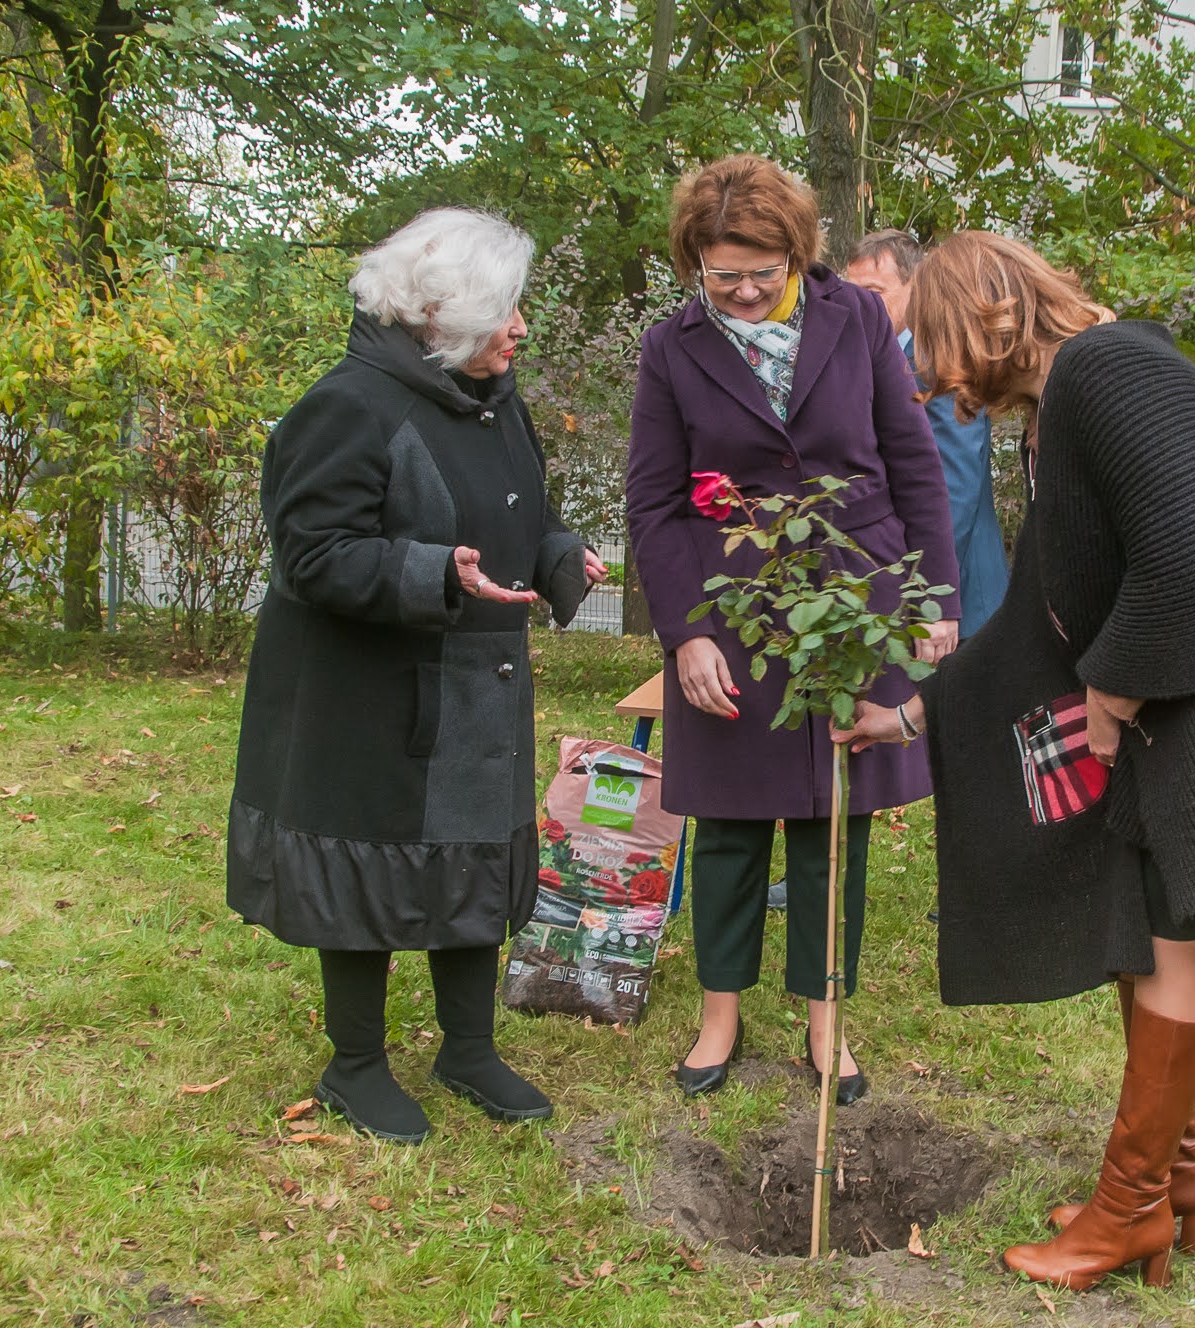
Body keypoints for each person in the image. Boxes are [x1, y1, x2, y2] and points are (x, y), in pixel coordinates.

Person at [835, 232, 1195, 1289]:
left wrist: (1109, 688)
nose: (922, 368)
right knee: (1152, 920)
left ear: (981, 310)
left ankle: (1130, 1206)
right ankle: (1166, 1183)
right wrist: (912, 715)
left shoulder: (1111, 371)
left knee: (1165, 927)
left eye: (926, 336)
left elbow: (1194, 558)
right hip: (1193, 679)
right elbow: (1038, 615)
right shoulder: (1066, 404)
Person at [227, 207, 608, 1143]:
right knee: (362, 869)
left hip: (477, 684)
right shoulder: (346, 406)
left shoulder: (494, 396)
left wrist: (561, 559)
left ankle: (467, 1049)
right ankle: (354, 1064)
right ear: (437, 315)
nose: (520, 329)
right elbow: (310, 555)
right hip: (366, 696)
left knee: (475, 860)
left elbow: (525, 514)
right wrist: (431, 572)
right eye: (504, 310)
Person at [625, 155, 961, 1105]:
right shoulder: (671, 347)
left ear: (796, 253)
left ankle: (826, 1021)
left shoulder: (855, 320)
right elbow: (653, 503)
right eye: (721, 271)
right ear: (695, 258)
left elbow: (913, 465)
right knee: (729, 820)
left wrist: (932, 602)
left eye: (760, 270)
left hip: (852, 605)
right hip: (730, 609)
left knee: (833, 816)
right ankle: (719, 1016)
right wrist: (687, 633)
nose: (740, 289)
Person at [845, 229, 1008, 638]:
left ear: (914, 288)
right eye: (852, 293)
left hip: (956, 604)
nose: (858, 306)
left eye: (874, 291)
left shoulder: (938, 364)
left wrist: (922, 597)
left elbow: (954, 491)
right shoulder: (871, 362)